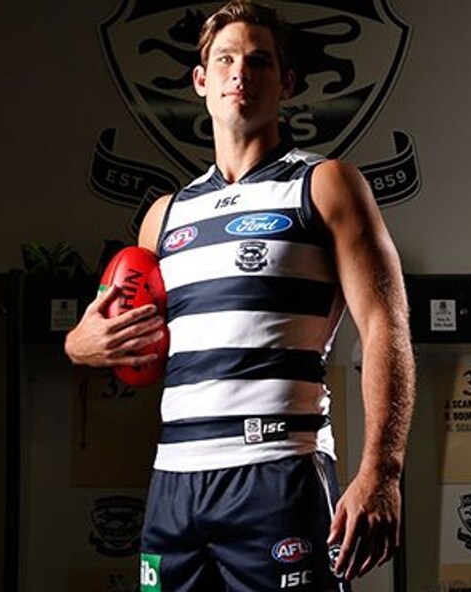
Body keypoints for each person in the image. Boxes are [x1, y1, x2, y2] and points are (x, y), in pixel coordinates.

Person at [66, 2, 415, 590]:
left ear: (287, 83)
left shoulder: (325, 184)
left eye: (259, 61)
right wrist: (80, 344)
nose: (240, 74)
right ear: (201, 81)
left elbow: (387, 326)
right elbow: (122, 338)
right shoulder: (163, 216)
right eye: (225, 60)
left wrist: (382, 473)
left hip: (278, 474)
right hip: (174, 482)